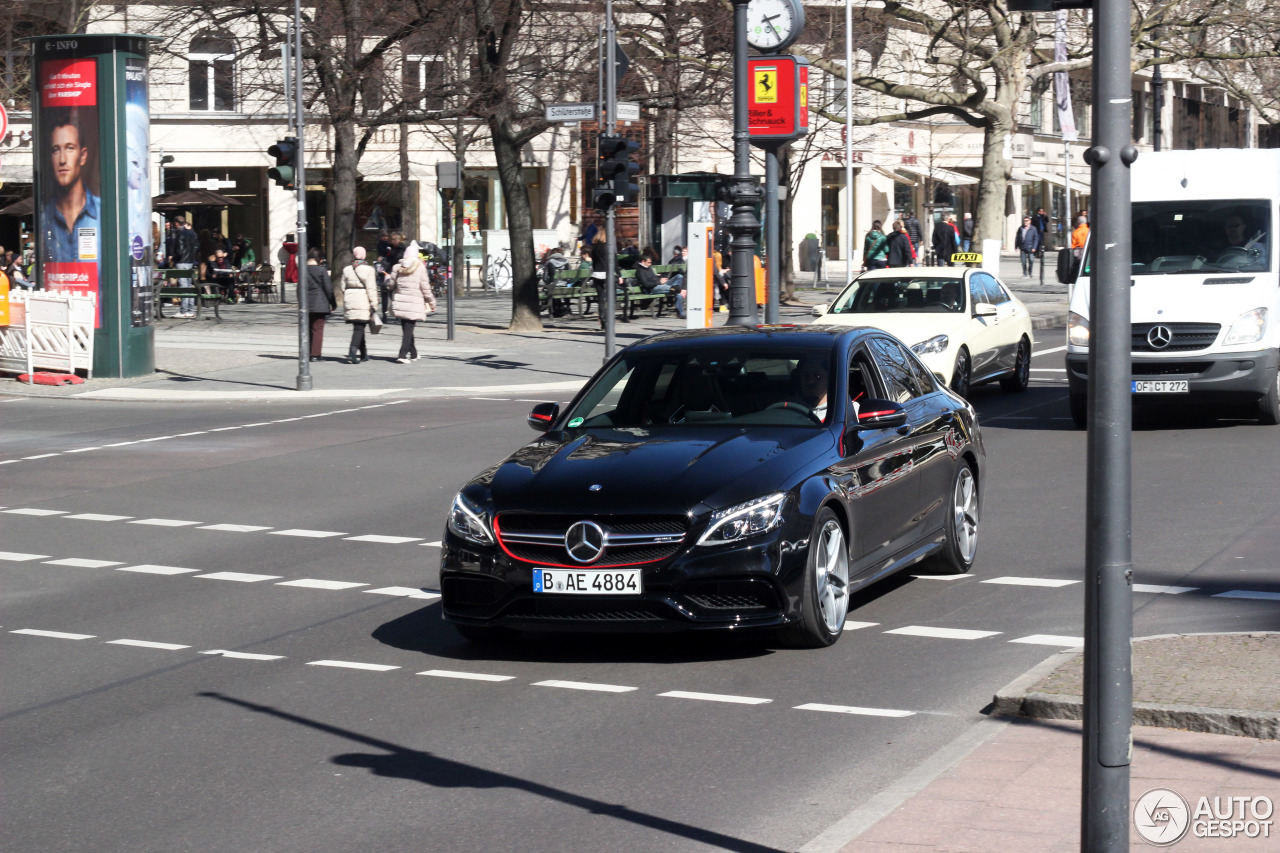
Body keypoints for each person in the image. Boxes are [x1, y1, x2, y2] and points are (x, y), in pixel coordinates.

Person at [42, 116, 101, 266]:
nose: (62, 159)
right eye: (56, 150)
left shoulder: (104, 215)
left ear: (83, 156)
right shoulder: (44, 218)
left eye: (70, 148)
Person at [388, 240, 436, 363]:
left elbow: (391, 286)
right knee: (408, 329)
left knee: (406, 328)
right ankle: (402, 355)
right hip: (414, 303)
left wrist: (387, 280)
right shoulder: (420, 268)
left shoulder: (397, 268)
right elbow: (425, 287)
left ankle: (414, 354)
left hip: (400, 301)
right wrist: (431, 302)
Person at [340, 246, 379, 364]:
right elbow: (371, 288)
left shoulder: (347, 269)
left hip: (350, 298)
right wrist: (374, 304)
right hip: (363, 299)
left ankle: (364, 354)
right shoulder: (369, 270)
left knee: (359, 326)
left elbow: (342, 286)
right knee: (359, 327)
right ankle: (352, 353)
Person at [304, 247, 335, 361]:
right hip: (320, 304)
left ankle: (307, 352)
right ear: (319, 259)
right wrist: (333, 303)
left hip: (306, 303)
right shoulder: (322, 270)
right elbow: (328, 288)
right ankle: (315, 354)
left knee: (307, 329)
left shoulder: (303, 270)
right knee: (317, 329)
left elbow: (299, 289)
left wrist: (300, 302)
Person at [169, 216, 201, 318]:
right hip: (190, 262)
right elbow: (196, 247)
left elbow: (180, 251)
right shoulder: (192, 233)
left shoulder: (180, 234)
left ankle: (183, 311)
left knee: (184, 287)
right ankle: (190, 310)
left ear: (177, 223)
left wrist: (173, 258)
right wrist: (192, 256)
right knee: (189, 286)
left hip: (181, 262)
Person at [790, 357, 830, 421]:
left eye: (818, 376)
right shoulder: (786, 407)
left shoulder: (842, 410)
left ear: (829, 379)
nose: (810, 381)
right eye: (806, 375)